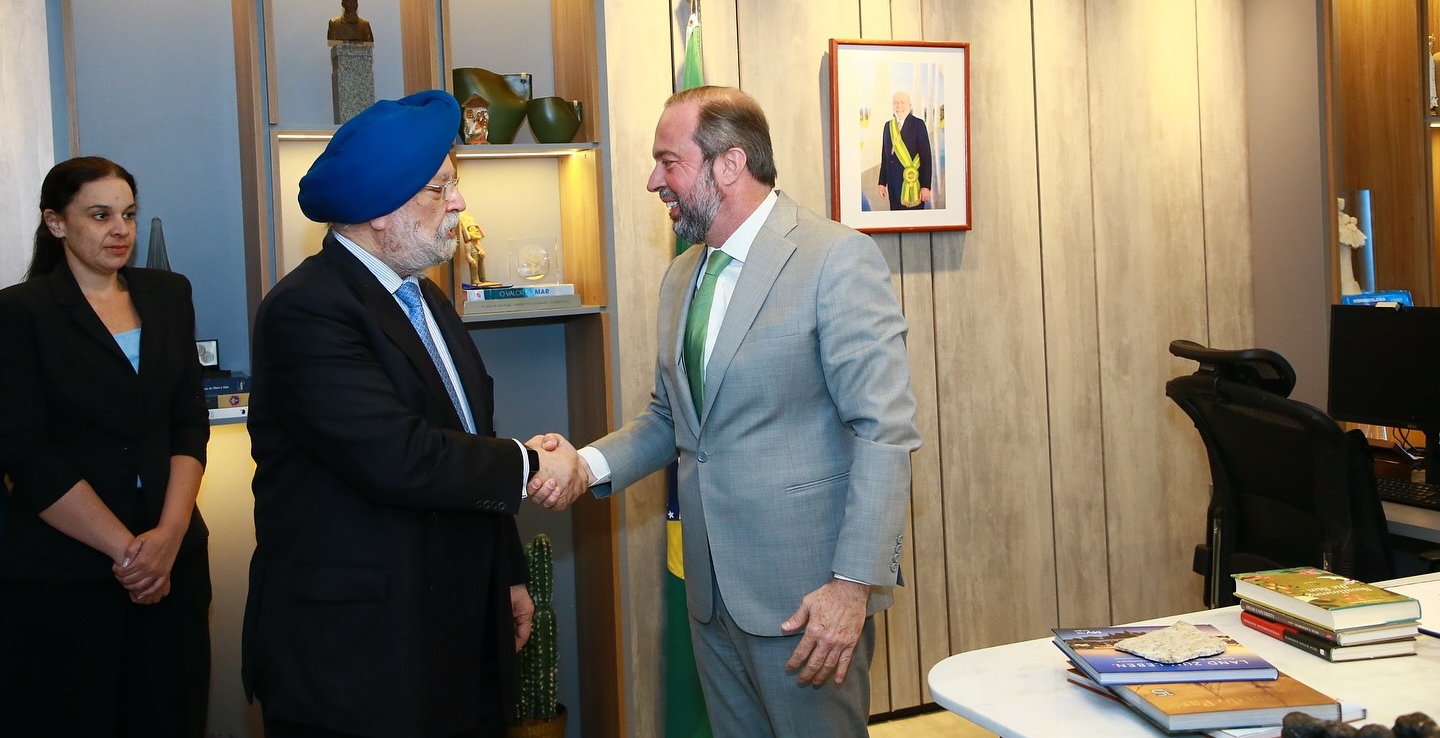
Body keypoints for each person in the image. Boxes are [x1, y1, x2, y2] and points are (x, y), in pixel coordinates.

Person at [532, 86, 921, 737]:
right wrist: (584, 464)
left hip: (808, 602)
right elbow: (671, 420)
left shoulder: (834, 259)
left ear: (729, 164)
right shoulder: (682, 277)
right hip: (711, 598)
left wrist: (851, 586)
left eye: (668, 160)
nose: (654, 180)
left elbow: (884, 429)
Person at [241, 90, 584, 738]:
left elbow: (465, 439)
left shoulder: (425, 297)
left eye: (455, 185)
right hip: (358, 656)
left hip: (452, 634)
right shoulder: (307, 309)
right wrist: (532, 462)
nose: (458, 203)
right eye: (440, 188)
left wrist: (506, 573)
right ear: (378, 208)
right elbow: (398, 455)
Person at [0, 156, 212, 737]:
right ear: (56, 223)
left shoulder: (169, 294)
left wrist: (167, 539)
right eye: (100, 215)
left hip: (174, 562)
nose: (120, 229)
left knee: (173, 714)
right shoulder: (19, 312)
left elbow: (189, 422)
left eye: (128, 214)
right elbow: (26, 456)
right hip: (65, 571)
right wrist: (130, 553)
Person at [877, 91, 933, 210]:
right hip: (893, 186)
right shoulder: (888, 126)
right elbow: (885, 157)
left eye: (902, 102)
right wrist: (882, 183)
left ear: (910, 105)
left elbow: (926, 157)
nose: (899, 106)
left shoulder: (918, 124)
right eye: (896, 102)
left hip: (913, 185)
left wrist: (925, 186)